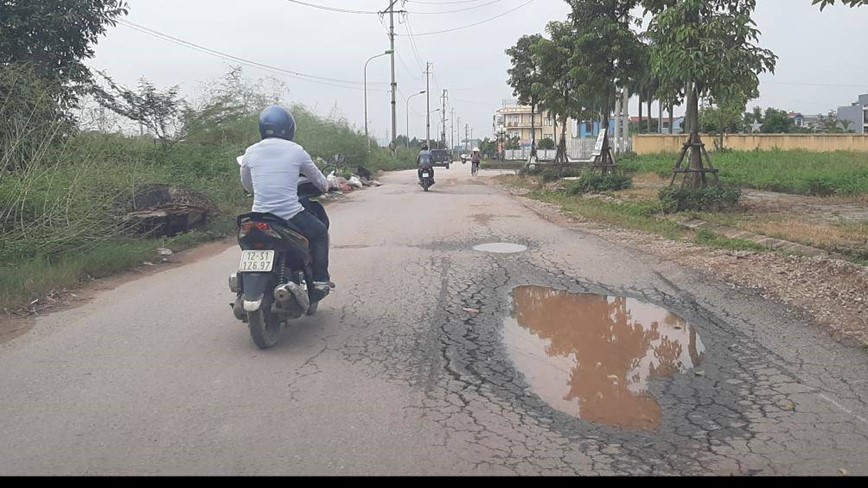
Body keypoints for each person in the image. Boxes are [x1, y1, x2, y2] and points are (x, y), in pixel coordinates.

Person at [239, 105, 334, 295]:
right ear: (290, 128)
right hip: (289, 215)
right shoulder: (296, 151)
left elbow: (247, 185)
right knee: (320, 233)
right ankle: (320, 279)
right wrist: (328, 185)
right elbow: (321, 183)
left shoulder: (250, 152)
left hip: (258, 216)